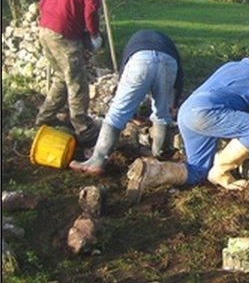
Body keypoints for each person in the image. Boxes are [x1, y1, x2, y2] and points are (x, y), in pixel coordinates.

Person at [126, 54, 249, 202]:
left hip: (187, 113)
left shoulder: (231, 66)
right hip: (205, 114)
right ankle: (221, 170)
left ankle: (151, 172)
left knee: (197, 171)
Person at [69, 29, 184, 175]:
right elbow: (179, 80)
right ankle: (157, 157)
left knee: (116, 114)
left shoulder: (136, 42)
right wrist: (172, 105)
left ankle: (96, 162)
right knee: (162, 114)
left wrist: (131, 113)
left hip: (140, 60)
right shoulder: (167, 44)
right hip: (169, 62)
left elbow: (126, 83)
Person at [35, 0, 114, 147]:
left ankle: (44, 118)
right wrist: (94, 34)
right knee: (77, 82)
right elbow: (91, 10)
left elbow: (43, 1)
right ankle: (84, 130)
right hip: (64, 34)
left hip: (45, 29)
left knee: (61, 77)